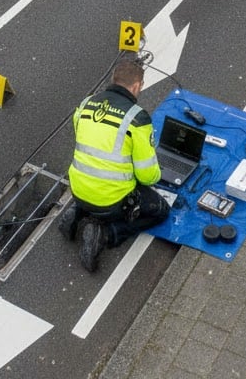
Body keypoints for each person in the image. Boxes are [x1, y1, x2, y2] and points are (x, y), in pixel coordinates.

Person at [59, 59, 168, 272]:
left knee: (95, 192)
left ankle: (79, 211)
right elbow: (147, 177)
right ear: (137, 86)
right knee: (160, 211)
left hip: (78, 189)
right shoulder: (137, 118)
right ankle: (107, 234)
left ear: (113, 80)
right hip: (113, 202)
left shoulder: (85, 104)